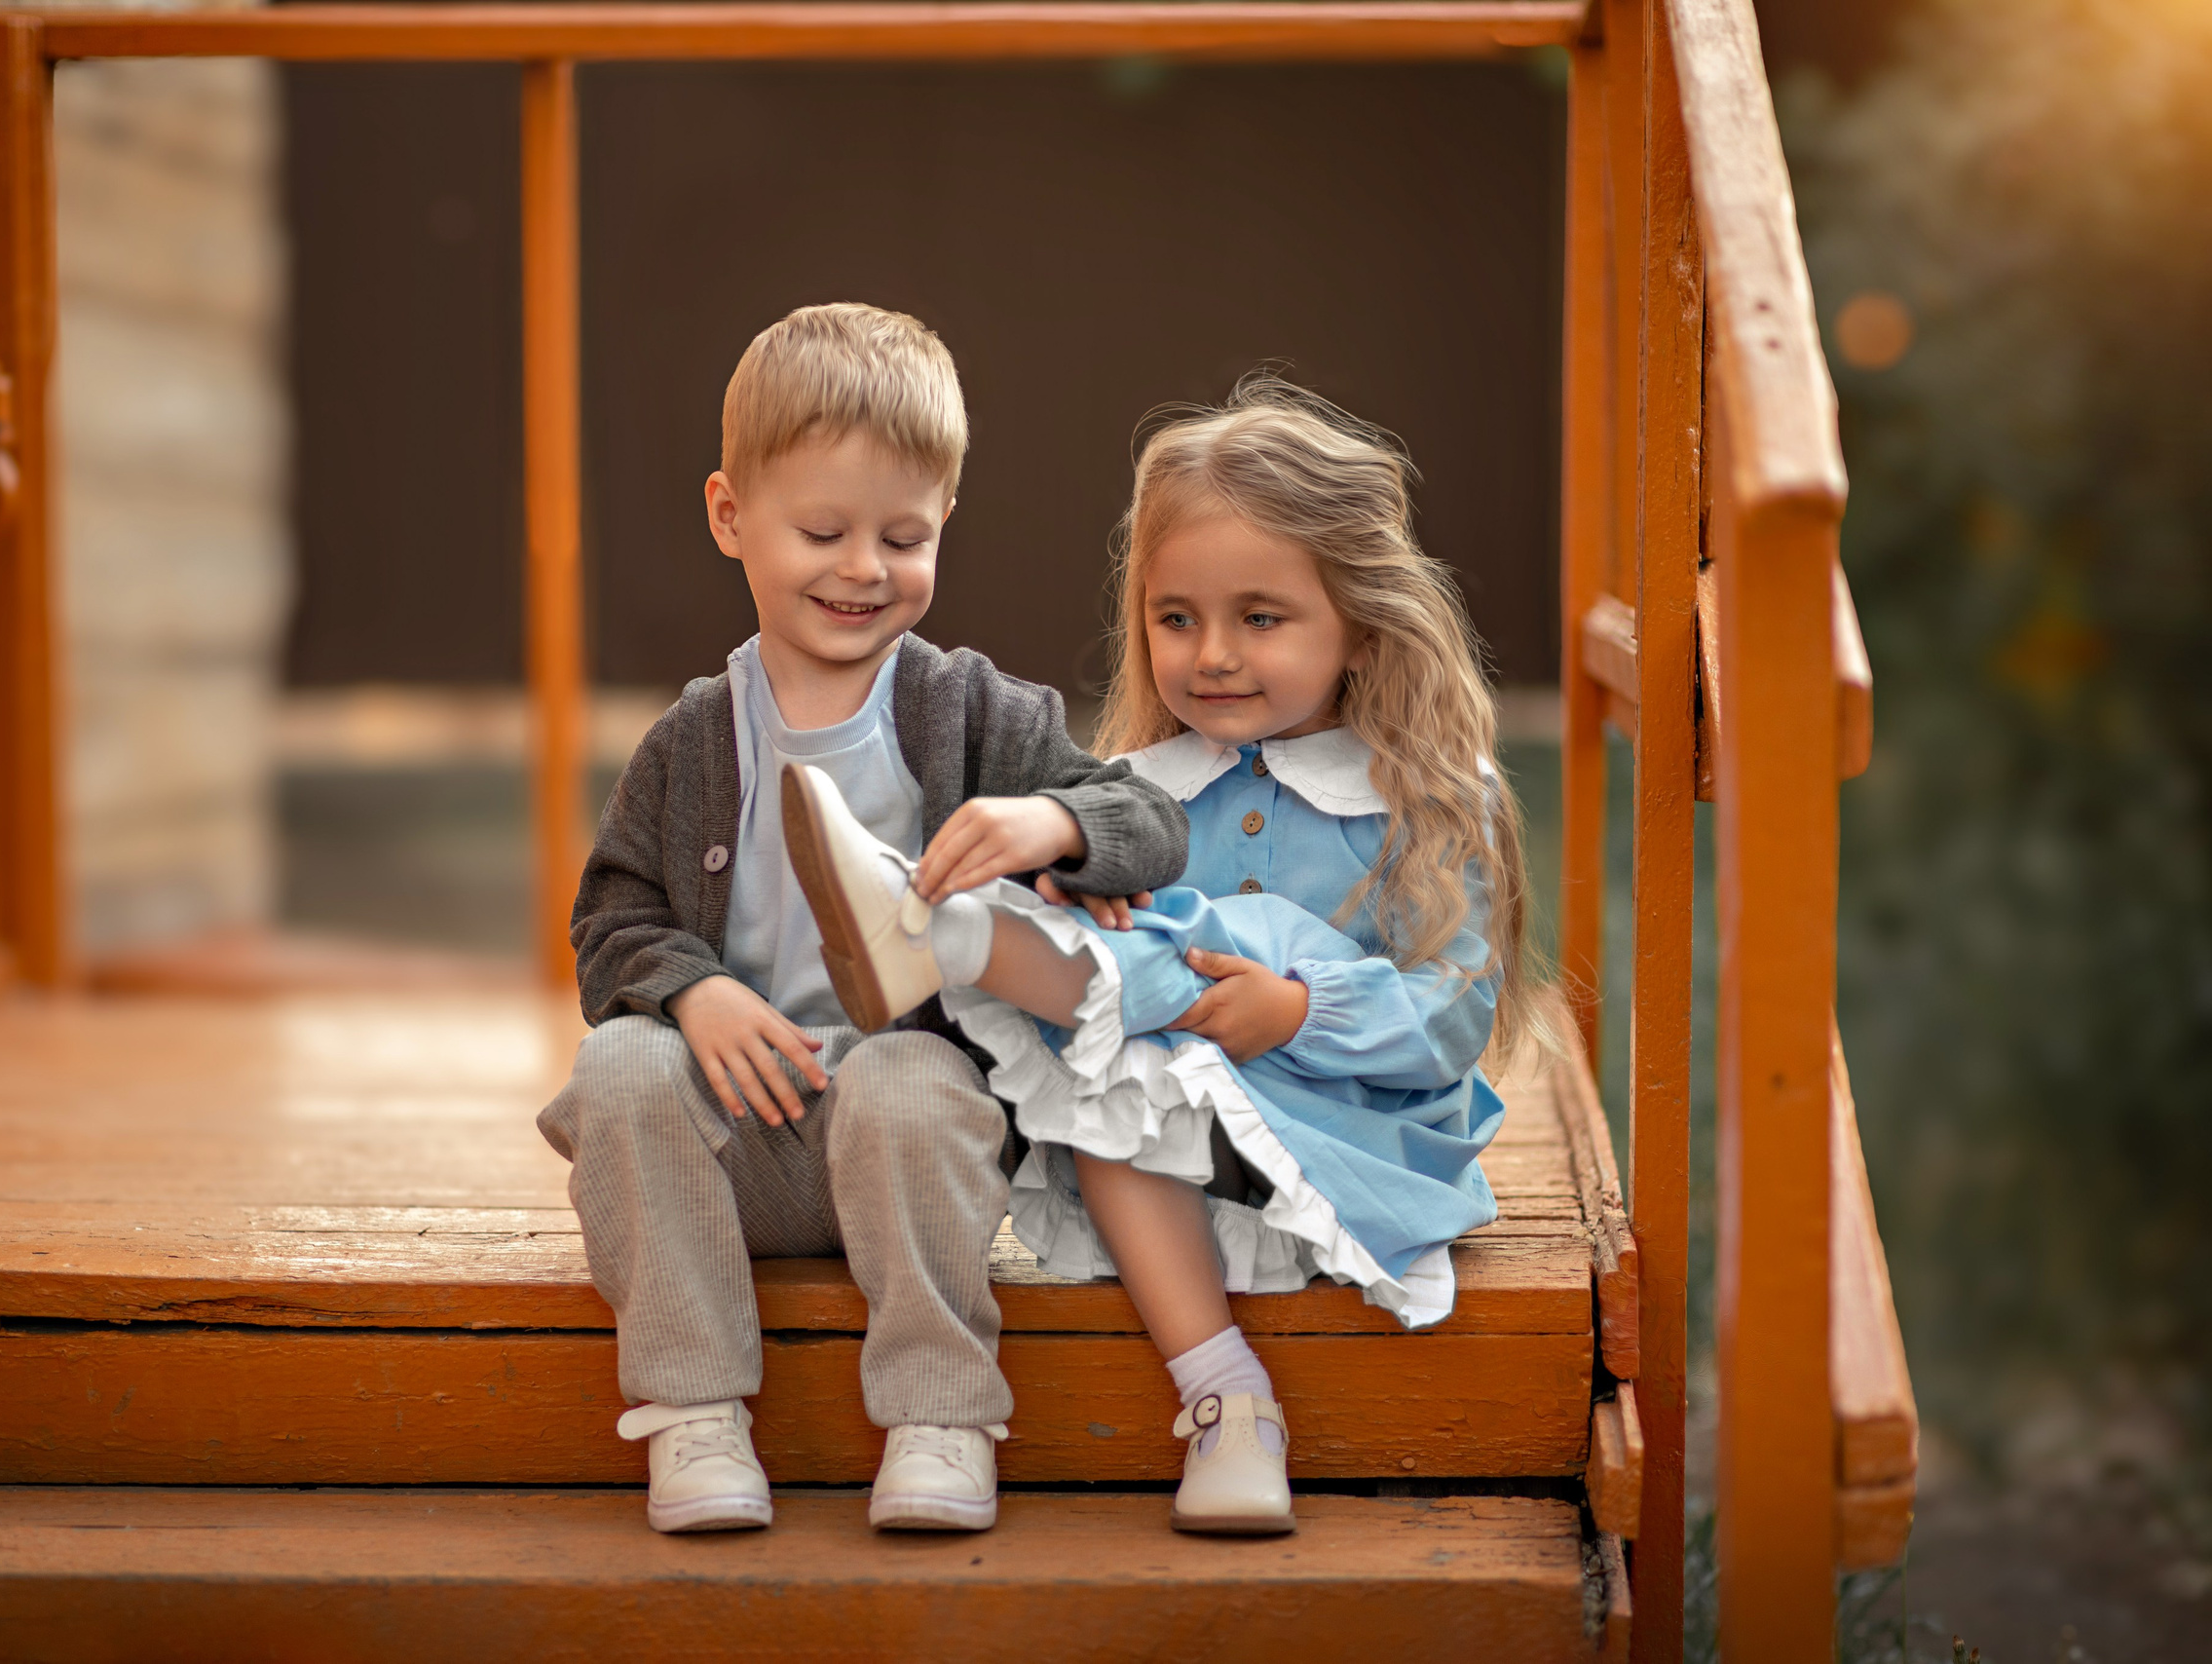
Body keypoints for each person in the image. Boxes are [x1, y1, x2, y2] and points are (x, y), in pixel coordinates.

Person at [780, 373, 1538, 1536]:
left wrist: (1296, 1012)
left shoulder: (1426, 799)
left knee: (1205, 962)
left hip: (1351, 1134)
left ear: (1361, 620)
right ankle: (1226, 1399)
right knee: (1112, 1075)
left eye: (1261, 618)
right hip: (1174, 1162)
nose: (1212, 655)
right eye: (1175, 617)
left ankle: (941, 935)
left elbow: (1449, 1020)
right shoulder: (1145, 788)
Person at [537, 303, 1189, 1537]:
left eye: (903, 535)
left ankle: (940, 1418)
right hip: (750, 1146)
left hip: (911, 1146)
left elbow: (1148, 819)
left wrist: (1052, 827)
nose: (861, 569)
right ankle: (692, 1415)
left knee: (905, 1067)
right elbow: (610, 915)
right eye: (822, 531)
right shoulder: (693, 739)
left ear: (945, 520)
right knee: (620, 1062)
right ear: (731, 516)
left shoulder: (967, 708)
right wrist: (693, 990)